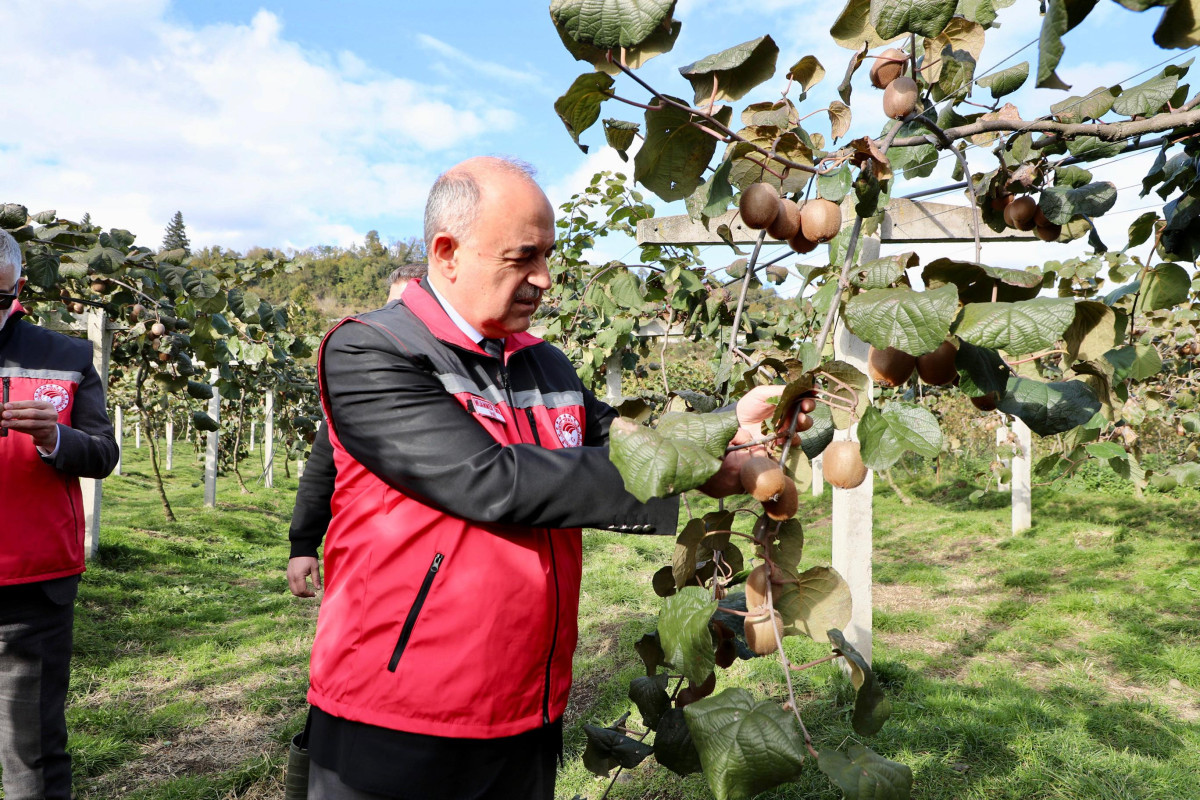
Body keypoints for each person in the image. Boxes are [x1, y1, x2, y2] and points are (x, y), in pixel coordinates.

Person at [302, 157, 771, 800]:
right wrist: (695, 469)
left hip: (526, 703)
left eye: (548, 256)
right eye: (523, 257)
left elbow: (628, 443)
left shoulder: (543, 362)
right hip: (397, 711)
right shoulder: (371, 350)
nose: (544, 279)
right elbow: (489, 480)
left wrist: (729, 430)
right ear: (447, 253)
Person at [0, 228, 120, 799]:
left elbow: (102, 453)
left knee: (33, 755)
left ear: (18, 289)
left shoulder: (66, 356)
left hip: (32, 588)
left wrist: (55, 438)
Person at [287, 262, 428, 598]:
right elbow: (324, 464)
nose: (396, 317)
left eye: (406, 306)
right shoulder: (362, 379)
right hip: (370, 556)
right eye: (390, 307)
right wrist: (303, 544)